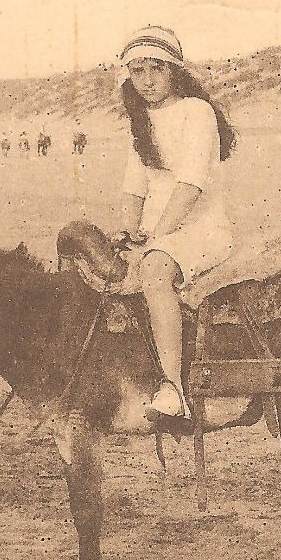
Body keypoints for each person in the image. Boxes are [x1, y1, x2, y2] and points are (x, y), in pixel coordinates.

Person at [116, 26, 236, 418]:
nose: (147, 81)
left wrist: (152, 242)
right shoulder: (142, 118)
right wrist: (128, 232)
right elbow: (134, 187)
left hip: (200, 229)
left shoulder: (196, 113)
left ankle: (172, 387)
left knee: (153, 270)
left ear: (174, 72)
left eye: (156, 69)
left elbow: (190, 186)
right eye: (137, 72)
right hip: (158, 231)